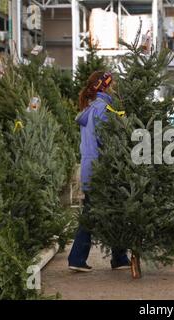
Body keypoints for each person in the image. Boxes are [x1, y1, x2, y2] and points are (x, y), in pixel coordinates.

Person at [68, 71, 130, 272]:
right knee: (113, 211)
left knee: (93, 212)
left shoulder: (90, 107)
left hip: (90, 167)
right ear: (104, 87)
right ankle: (116, 258)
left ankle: (80, 258)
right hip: (103, 168)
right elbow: (107, 139)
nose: (114, 88)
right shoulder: (104, 108)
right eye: (112, 84)